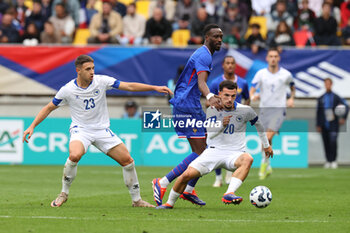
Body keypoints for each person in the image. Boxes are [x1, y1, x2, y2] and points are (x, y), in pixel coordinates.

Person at [22, 54, 173, 208]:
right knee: (75, 154)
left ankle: (137, 200)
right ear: (78, 71)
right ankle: (63, 193)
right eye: (88, 69)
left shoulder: (101, 81)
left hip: (102, 130)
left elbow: (129, 86)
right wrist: (32, 126)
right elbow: (49, 107)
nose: (92, 72)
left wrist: (154, 87)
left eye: (93, 68)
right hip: (81, 130)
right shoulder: (67, 90)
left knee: (128, 161)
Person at [156, 80, 273, 209]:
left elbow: (259, 125)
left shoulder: (245, 110)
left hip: (235, 153)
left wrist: (266, 145)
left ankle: (229, 193)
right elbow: (210, 135)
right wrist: (221, 125)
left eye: (233, 96)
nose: (230, 99)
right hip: (213, 151)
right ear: (219, 94)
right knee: (186, 175)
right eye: (226, 95)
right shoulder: (212, 110)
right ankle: (169, 203)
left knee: (248, 159)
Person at [152, 24, 223, 207]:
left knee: (207, 149)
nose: (219, 40)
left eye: (221, 36)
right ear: (207, 37)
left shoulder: (204, 53)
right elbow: (201, 82)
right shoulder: (204, 55)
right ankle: (162, 183)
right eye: (216, 36)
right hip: (187, 106)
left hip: (189, 104)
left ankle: (188, 190)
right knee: (202, 152)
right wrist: (209, 96)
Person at [250, 47, 295, 180]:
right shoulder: (261, 74)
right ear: (267, 58)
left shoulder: (286, 74)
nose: (273, 58)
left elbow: (293, 87)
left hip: (279, 110)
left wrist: (291, 98)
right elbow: (253, 88)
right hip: (264, 110)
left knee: (268, 136)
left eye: (275, 56)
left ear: (278, 58)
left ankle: (263, 164)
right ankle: (268, 164)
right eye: (271, 56)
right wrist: (253, 96)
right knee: (265, 139)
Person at [209, 55, 250, 187]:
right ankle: (218, 178)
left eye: (232, 63)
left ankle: (229, 172)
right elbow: (208, 103)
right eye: (227, 63)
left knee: (233, 147)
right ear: (223, 65)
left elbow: (247, 99)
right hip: (221, 120)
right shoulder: (216, 83)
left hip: (236, 122)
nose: (230, 65)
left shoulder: (242, 82)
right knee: (218, 146)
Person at [316, 78, 348, 169]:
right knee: (325, 142)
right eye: (326, 84)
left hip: (334, 124)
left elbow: (346, 106)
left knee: (333, 142)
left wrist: (343, 118)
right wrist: (318, 124)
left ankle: (334, 160)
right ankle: (328, 160)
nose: (327, 85)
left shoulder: (336, 97)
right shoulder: (321, 98)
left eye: (329, 84)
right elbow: (318, 112)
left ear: (331, 84)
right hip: (324, 124)